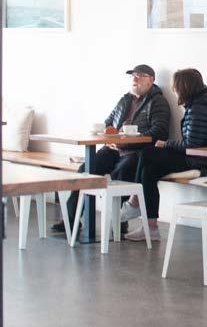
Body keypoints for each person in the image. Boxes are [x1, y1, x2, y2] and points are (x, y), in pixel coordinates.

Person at [121, 68, 207, 241]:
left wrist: (166, 144)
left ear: (184, 87)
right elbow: (192, 143)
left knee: (147, 153)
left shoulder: (199, 108)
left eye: (176, 87)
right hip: (198, 157)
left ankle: (134, 201)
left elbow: (191, 145)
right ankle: (151, 227)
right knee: (149, 171)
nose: (175, 90)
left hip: (203, 160)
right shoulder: (198, 105)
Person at [51, 64, 171, 233]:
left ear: (151, 80)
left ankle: (119, 221)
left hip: (136, 151)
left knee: (121, 173)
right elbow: (108, 123)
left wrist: (129, 140)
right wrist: (108, 138)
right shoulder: (125, 100)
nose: (135, 79)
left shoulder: (158, 102)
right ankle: (70, 220)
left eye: (140, 76)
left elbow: (160, 132)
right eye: (133, 75)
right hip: (112, 149)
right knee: (85, 170)